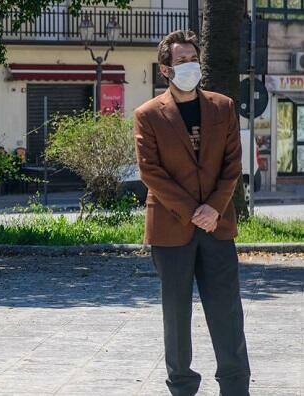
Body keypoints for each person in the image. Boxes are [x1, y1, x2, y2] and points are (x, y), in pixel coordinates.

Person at [134, 30, 251, 396]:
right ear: (166, 69)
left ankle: (235, 387)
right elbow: (150, 171)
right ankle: (182, 386)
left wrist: (213, 209)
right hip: (171, 227)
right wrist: (192, 211)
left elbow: (232, 165)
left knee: (227, 312)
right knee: (176, 314)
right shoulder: (149, 115)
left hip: (217, 226)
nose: (190, 66)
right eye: (181, 61)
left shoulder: (223, 107)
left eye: (193, 59)